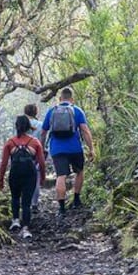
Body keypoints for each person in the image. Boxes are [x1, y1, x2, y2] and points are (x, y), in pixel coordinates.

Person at [40, 88, 95, 218]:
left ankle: (61, 208)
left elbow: (43, 132)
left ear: (60, 99)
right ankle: (76, 199)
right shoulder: (77, 110)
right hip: (75, 148)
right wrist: (91, 148)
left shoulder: (51, 111)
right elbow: (85, 130)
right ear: (72, 99)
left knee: (61, 176)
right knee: (79, 172)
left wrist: (43, 148)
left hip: (57, 149)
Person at [0, 115, 46, 239]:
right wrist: (43, 178)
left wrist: (1, 179)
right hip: (30, 175)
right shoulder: (35, 142)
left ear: (16, 126)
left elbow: (4, 163)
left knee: (14, 197)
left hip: (15, 174)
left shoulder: (10, 142)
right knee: (26, 202)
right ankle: (25, 228)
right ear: (29, 127)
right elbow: (41, 163)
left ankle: (15, 220)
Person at [24, 103, 44, 213]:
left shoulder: (20, 123)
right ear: (35, 112)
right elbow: (43, 139)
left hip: (21, 154)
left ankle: (25, 202)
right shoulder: (40, 124)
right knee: (35, 179)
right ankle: (34, 203)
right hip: (36, 153)